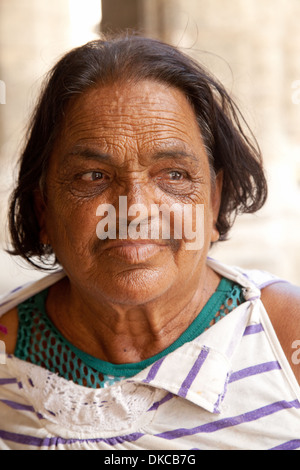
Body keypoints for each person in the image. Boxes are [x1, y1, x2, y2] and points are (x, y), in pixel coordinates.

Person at [0, 34, 299, 451]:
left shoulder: (287, 337)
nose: (136, 209)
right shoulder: (7, 354)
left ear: (212, 202)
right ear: (43, 210)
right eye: (93, 176)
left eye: (174, 174)